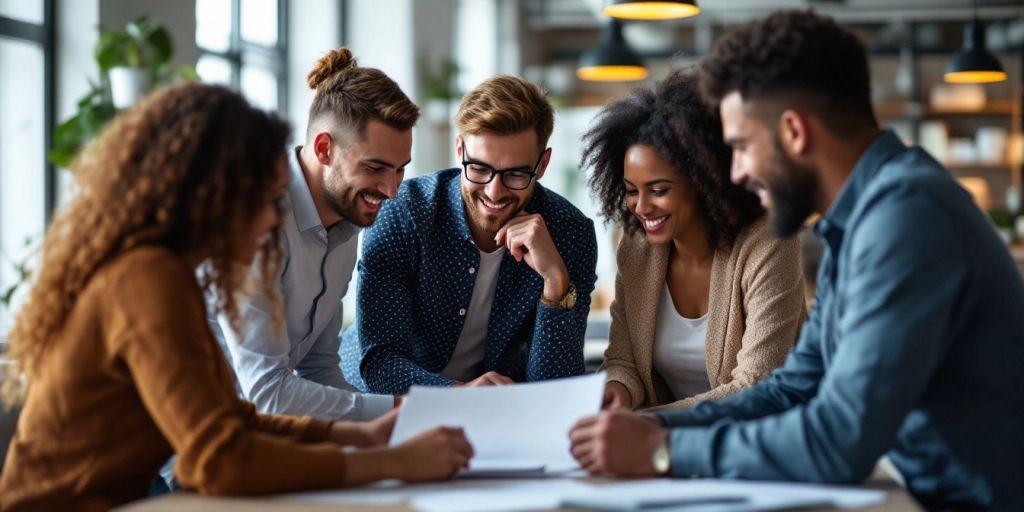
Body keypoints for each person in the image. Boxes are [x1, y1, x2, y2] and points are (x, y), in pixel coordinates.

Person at [568, 10, 1024, 511]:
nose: (735, 173)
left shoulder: (906, 217)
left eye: (740, 147)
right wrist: (652, 424)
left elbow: (838, 439)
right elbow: (791, 389)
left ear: (794, 132)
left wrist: (662, 452)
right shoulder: (857, 220)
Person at [0, 83, 472, 510]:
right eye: (263, 200)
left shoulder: (169, 274)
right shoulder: (147, 278)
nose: (273, 220)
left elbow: (230, 418)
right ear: (212, 195)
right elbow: (219, 458)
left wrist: (360, 436)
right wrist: (390, 462)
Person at [340, 75, 598, 393]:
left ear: (542, 164)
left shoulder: (571, 233)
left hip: (491, 415)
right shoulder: (404, 212)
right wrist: (458, 395)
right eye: (479, 168)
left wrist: (556, 284)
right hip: (378, 404)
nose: (494, 192)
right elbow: (379, 362)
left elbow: (555, 391)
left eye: (516, 174)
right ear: (459, 148)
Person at [211, 48, 417, 425]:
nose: (391, 191)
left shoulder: (348, 218)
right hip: (180, 455)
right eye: (375, 168)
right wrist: (404, 411)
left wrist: (391, 426)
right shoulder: (253, 216)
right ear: (324, 148)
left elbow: (318, 368)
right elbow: (268, 392)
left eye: (400, 170)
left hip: (257, 438)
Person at [580, 69, 805, 411]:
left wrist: (644, 422)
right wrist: (615, 392)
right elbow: (624, 363)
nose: (641, 207)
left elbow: (757, 386)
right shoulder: (637, 248)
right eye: (630, 191)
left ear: (704, 181)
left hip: (766, 445)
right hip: (668, 451)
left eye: (658, 190)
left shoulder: (768, 243)